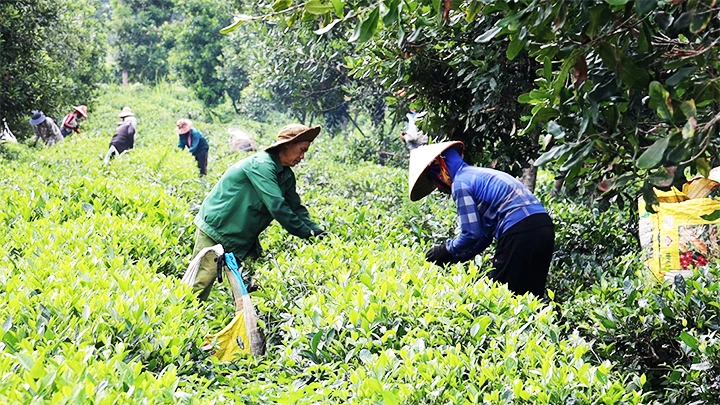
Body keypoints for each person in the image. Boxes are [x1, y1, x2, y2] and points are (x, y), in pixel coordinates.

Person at [189, 124, 326, 301]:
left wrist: (317, 232)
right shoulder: (262, 165)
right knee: (201, 283)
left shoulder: (286, 175)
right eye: (301, 150)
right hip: (218, 228)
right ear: (287, 145)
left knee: (247, 279)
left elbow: (296, 207)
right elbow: (278, 206)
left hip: (240, 235)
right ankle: (182, 322)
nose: (302, 156)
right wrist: (305, 232)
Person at [409, 141, 554, 297]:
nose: (438, 187)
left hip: (519, 231)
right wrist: (454, 257)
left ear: (440, 169)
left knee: (501, 295)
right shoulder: (479, 175)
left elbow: (470, 234)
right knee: (532, 294)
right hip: (544, 228)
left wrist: (444, 250)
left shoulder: (460, 184)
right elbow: (484, 236)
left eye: (433, 180)